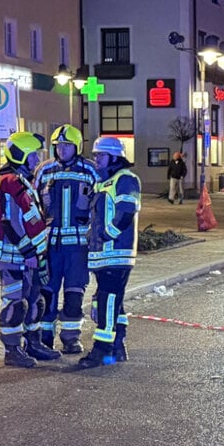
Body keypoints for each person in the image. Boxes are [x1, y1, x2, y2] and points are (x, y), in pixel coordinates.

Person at [0, 131, 61, 368]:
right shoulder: (10, 183)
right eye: (33, 156)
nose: (37, 160)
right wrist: (29, 253)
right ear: (21, 157)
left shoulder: (21, 180)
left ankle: (33, 343)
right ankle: (12, 349)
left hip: (27, 257)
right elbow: (10, 223)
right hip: (15, 257)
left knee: (34, 301)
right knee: (15, 303)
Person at [33, 125, 100, 354]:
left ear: (77, 147)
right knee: (47, 293)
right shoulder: (44, 170)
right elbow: (34, 205)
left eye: (67, 145)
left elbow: (98, 206)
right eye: (58, 145)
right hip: (50, 247)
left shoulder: (90, 171)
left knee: (74, 293)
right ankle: (45, 338)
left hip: (78, 247)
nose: (62, 150)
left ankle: (71, 338)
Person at [79, 136, 142, 368]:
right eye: (96, 155)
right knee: (115, 301)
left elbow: (126, 213)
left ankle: (102, 349)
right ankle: (118, 345)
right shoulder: (105, 182)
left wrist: (106, 235)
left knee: (107, 299)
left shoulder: (125, 180)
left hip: (116, 253)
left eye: (101, 156)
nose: (97, 160)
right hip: (103, 255)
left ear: (115, 157)